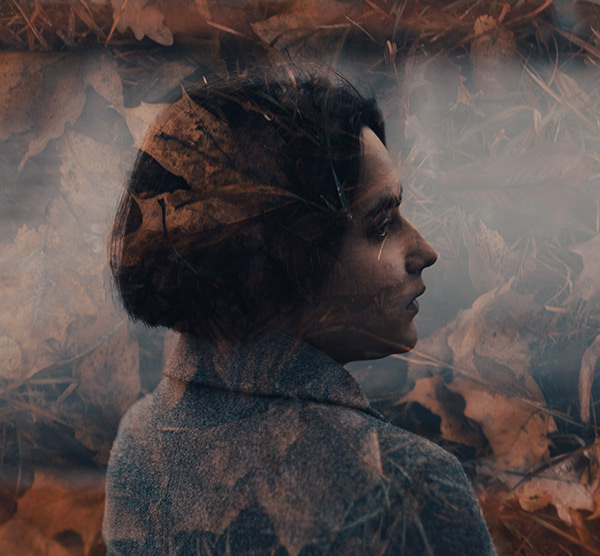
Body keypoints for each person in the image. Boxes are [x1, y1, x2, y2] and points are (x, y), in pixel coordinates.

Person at [103, 64, 497, 555]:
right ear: (281, 264)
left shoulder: (139, 446)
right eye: (381, 224)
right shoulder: (416, 487)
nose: (424, 249)